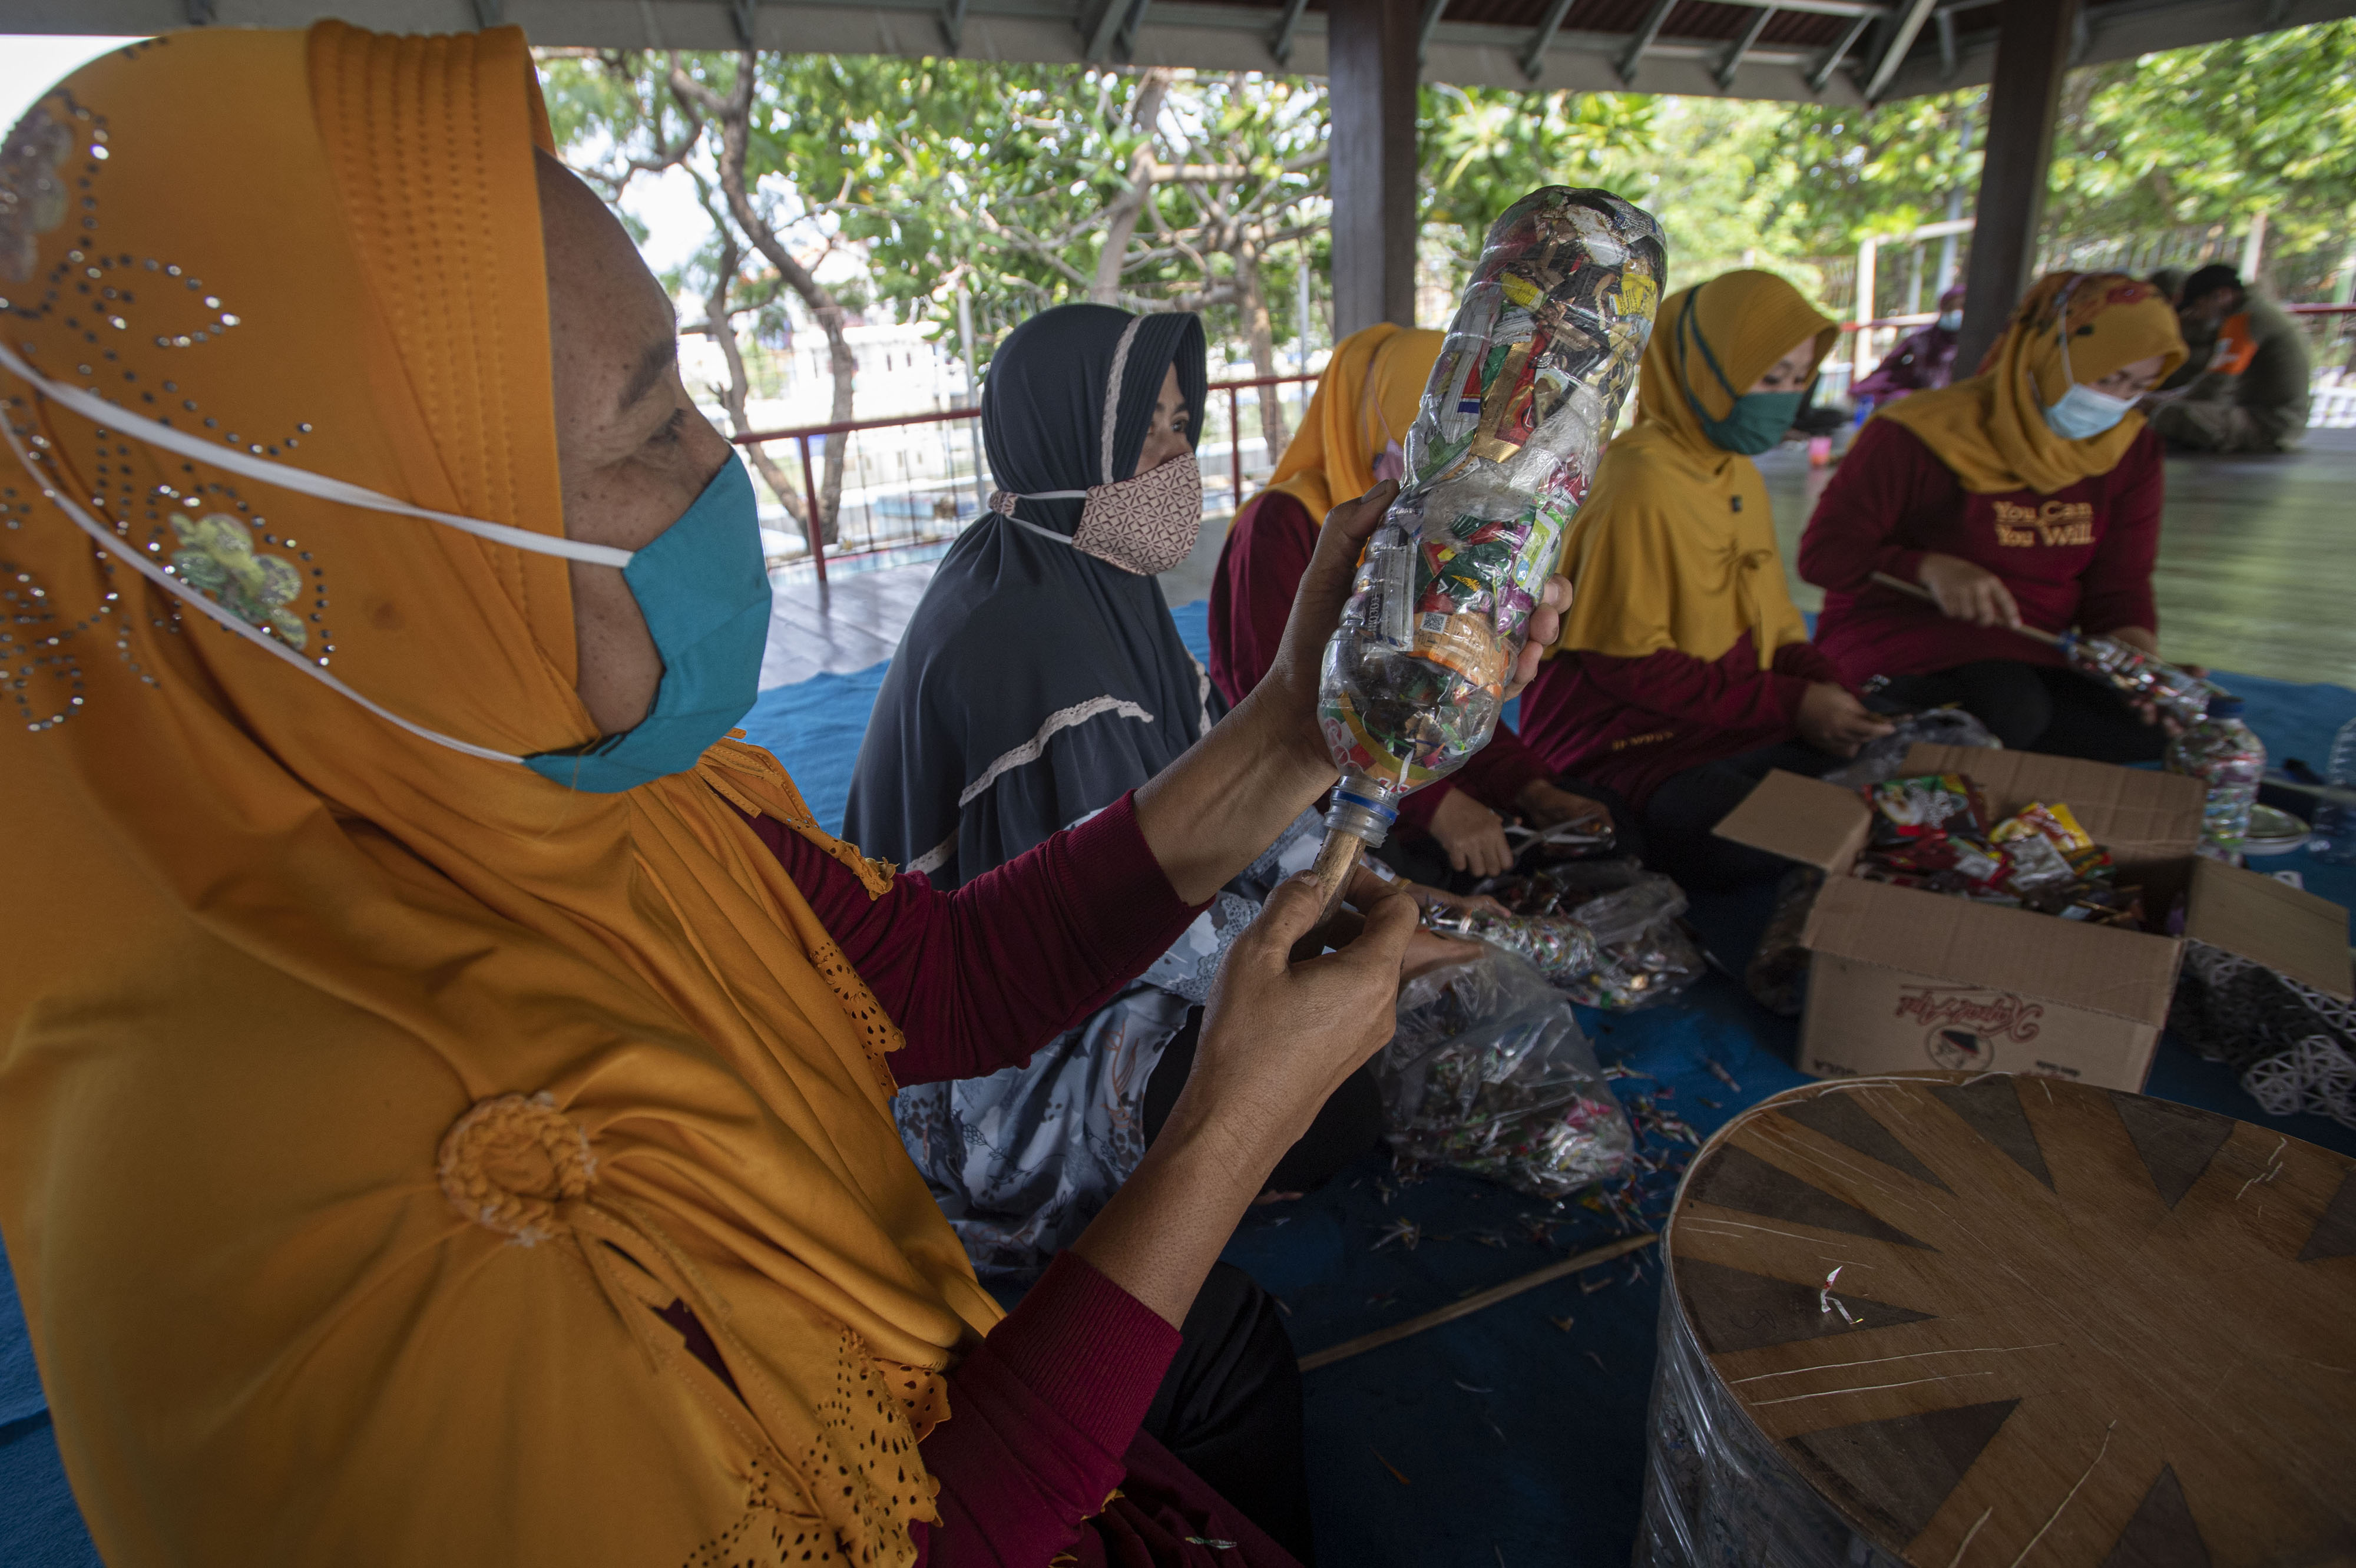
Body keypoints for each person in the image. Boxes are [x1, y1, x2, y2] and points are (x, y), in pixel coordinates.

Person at [0, 28, 1574, 1567]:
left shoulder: (610, 795)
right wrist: (1235, 1122)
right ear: (368, 564)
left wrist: (1301, 717)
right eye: (653, 426)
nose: (722, 462)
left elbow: (943, 979)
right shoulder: (331, 1208)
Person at [846, 304, 1458, 1290]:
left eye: (1183, 423)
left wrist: (1365, 887)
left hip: (1066, 963)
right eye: (1149, 432)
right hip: (973, 1059)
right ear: (1065, 438)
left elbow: (1223, 780)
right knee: (1330, 1083)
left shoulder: (1084, 569)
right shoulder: (1036, 640)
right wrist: (1353, 939)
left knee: (1366, 959)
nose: (1182, 456)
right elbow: (1121, 912)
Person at [1517, 271, 1892, 894]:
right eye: (1769, 378)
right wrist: (1794, 703)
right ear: (1702, 370)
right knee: (1763, 837)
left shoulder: (1734, 473)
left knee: (1864, 776)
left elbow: (1771, 626)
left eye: (1798, 378)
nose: (1786, 396)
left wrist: (1825, 689)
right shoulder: (1640, 478)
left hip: (1721, 713)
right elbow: (1629, 669)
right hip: (1625, 734)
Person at [1207, 323, 1616, 879]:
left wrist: (1530, 785)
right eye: (1425, 443)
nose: (1449, 471)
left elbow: (1444, 699)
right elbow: (1274, 701)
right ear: (1376, 426)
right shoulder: (1282, 525)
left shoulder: (1447, 532)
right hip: (1307, 801)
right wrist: (1441, 810)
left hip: (1403, 777)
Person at [1801, 272, 2191, 762]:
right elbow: (1823, 556)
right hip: (1904, 638)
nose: (2112, 401)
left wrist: (2141, 670)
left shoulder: (2131, 450)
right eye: (2106, 377)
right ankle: (1904, 728)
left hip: (2037, 648)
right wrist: (1927, 568)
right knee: (2008, 708)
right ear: (2050, 350)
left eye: (2136, 386)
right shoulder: (1917, 432)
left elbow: (2119, 589)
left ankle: (1955, 747)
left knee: (2156, 726)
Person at [2149, 263, 2312, 453]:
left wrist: (2160, 401)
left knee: (2168, 415)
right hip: (2277, 417)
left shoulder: (2246, 319)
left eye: (2198, 305)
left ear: (2221, 295)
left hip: (2270, 424)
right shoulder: (2255, 312)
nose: (2196, 314)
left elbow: (2216, 385)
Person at [1852, 284, 1968, 404]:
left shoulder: (1973, 342)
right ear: (1943, 309)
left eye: (1961, 307)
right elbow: (1890, 363)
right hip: (1921, 397)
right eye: (1950, 307)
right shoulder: (1923, 337)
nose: (1956, 313)